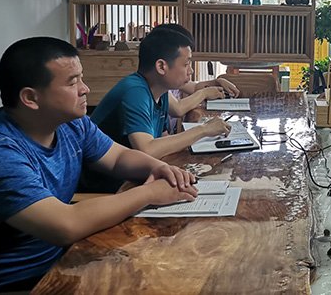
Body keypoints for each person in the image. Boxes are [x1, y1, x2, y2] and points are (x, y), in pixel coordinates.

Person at [0, 37, 198, 292]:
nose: (85, 89)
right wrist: (149, 193)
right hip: (25, 283)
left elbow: (118, 157)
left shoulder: (71, 123)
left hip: (70, 259)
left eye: (82, 78)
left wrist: (156, 167)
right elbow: (65, 224)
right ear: (30, 98)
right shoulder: (1, 151)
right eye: (72, 82)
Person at [87, 29, 231, 191]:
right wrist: (203, 130)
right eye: (186, 64)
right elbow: (147, 149)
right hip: (107, 187)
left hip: (136, 177)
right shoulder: (135, 91)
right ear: (161, 66)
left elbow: (164, 139)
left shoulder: (159, 90)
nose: (190, 71)